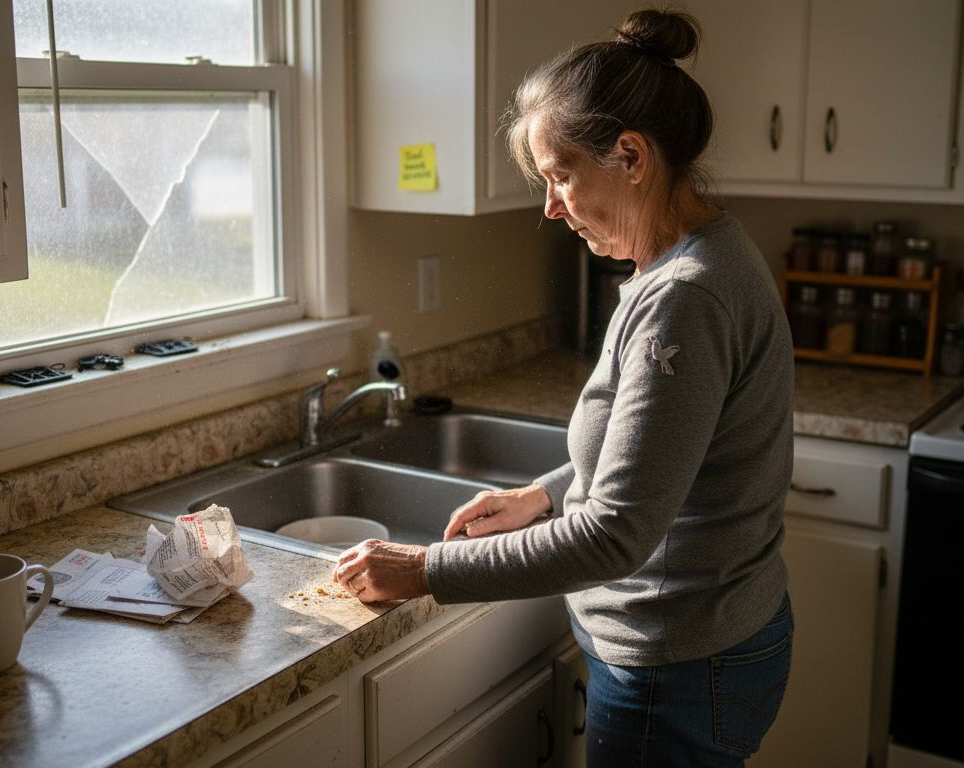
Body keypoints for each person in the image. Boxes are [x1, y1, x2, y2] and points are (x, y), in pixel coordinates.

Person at [333, 9, 795, 767]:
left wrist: (421, 571)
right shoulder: (700, 255)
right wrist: (543, 494)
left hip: (674, 665)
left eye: (561, 175)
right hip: (715, 641)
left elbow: (614, 535)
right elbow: (655, 454)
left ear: (632, 156)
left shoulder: (686, 298)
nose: (550, 207)